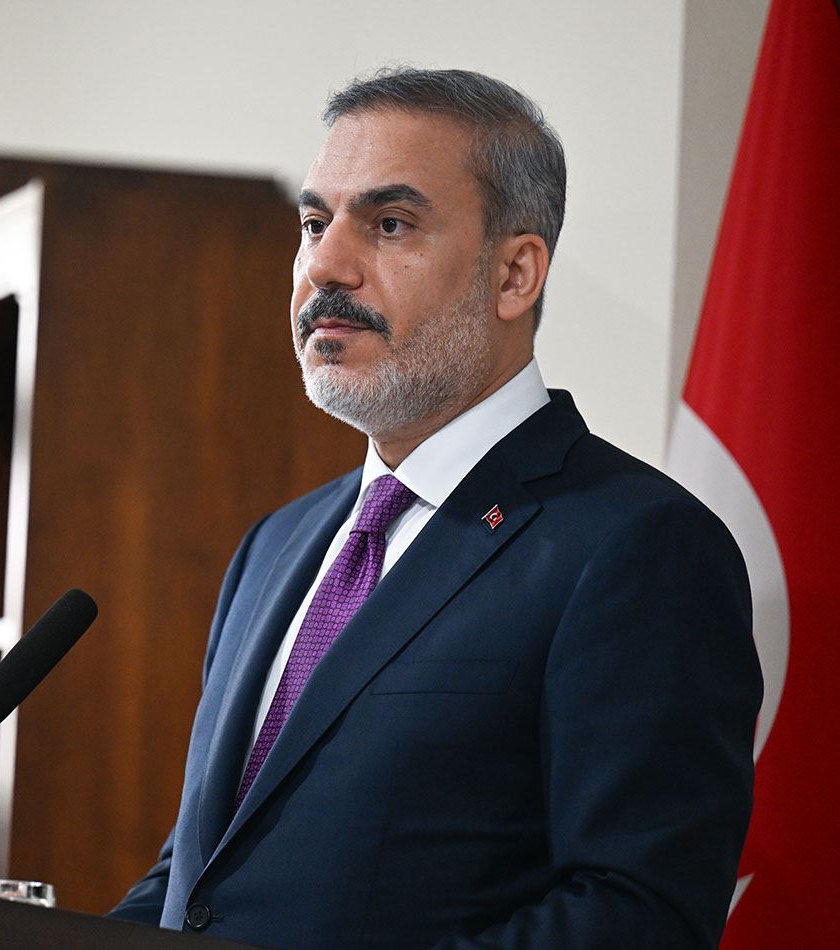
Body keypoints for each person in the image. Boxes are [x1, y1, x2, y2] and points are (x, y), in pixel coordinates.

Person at [109, 68, 761, 949]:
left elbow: (635, 912)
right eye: (314, 224)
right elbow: (200, 879)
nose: (324, 267)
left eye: (389, 224)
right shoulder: (274, 547)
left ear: (515, 274)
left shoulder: (637, 546)